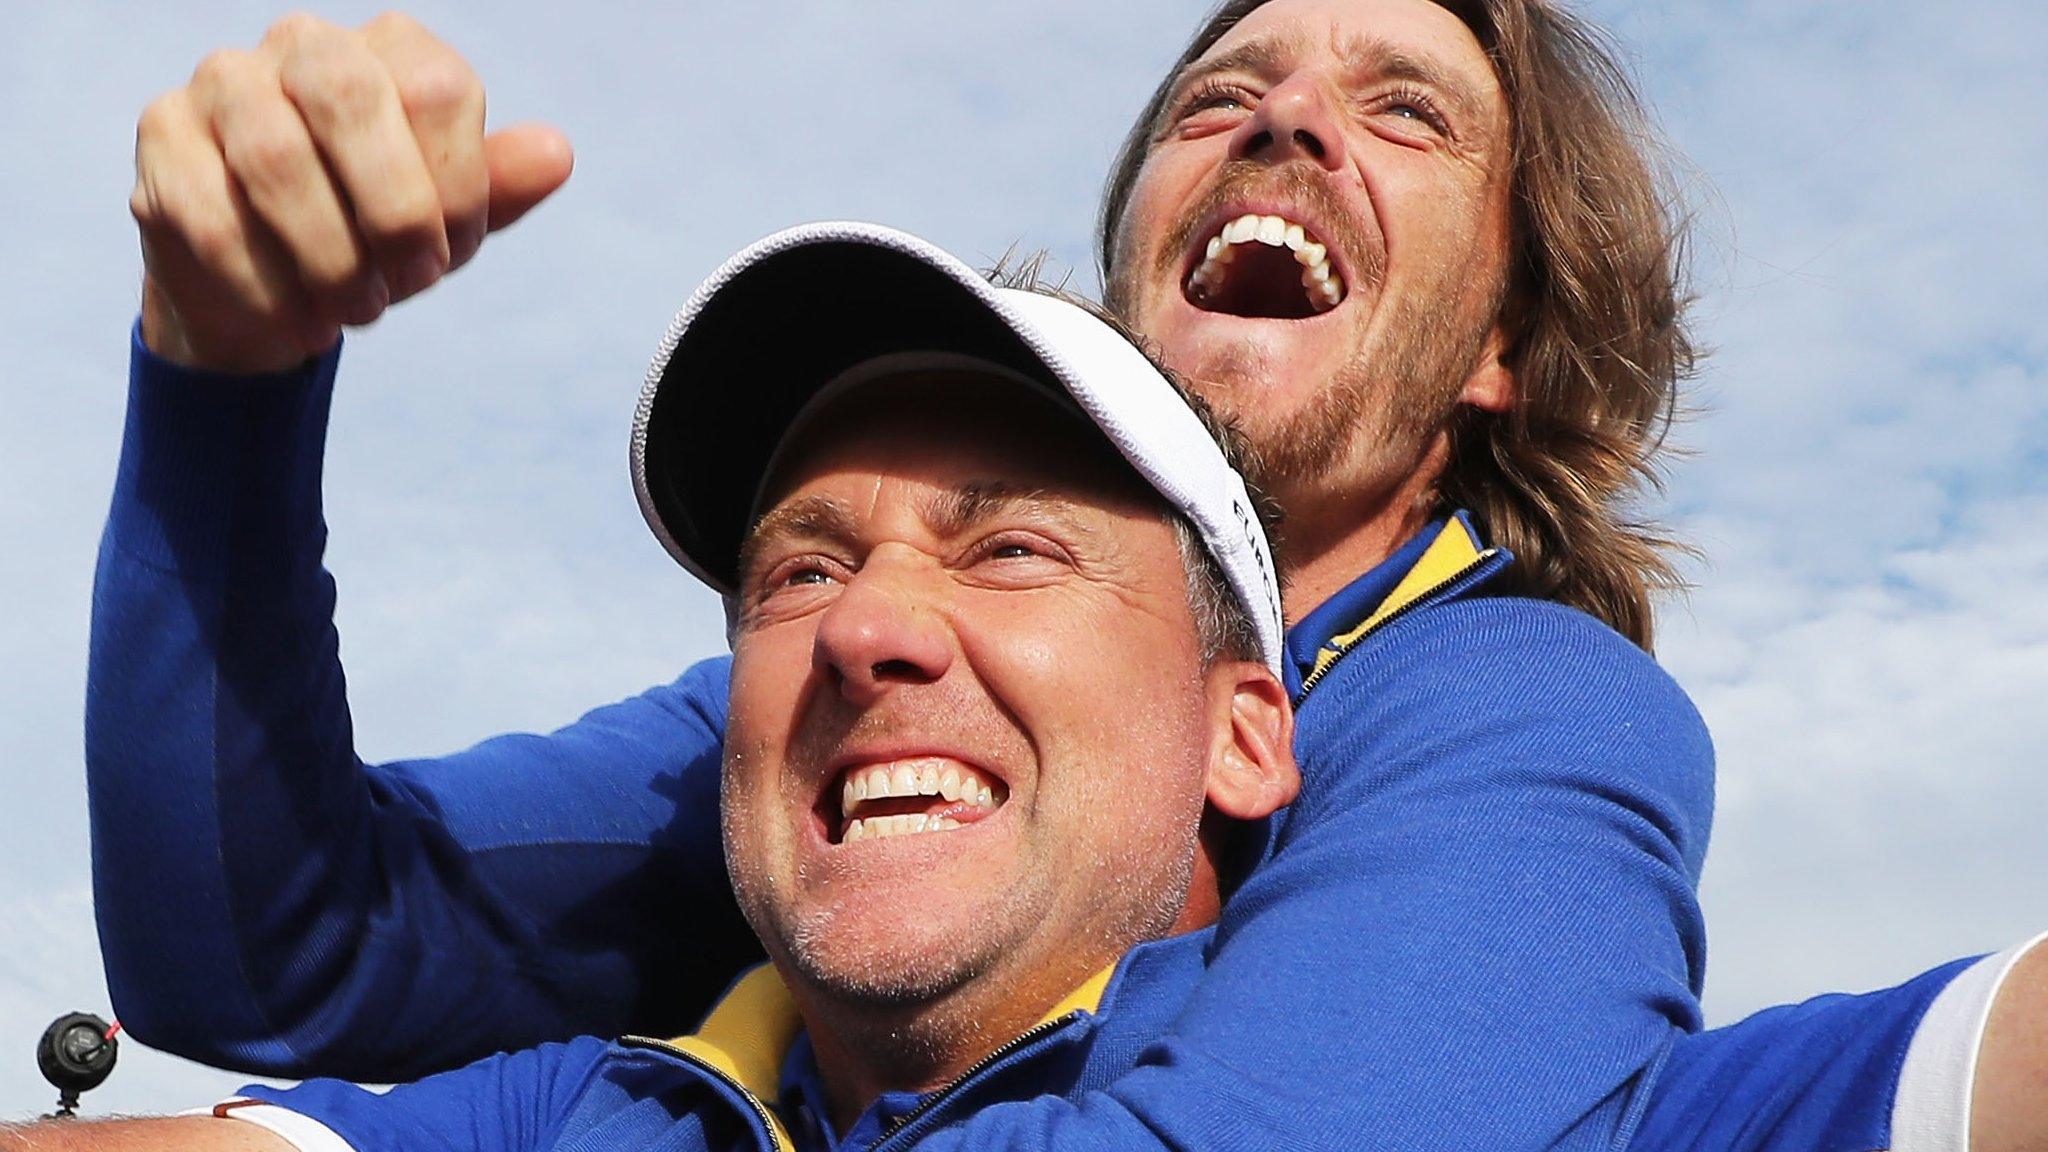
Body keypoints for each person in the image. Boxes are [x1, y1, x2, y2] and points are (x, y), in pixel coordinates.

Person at [85, 4, 2047, 1151]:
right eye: (1219, 97)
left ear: (1501, 348)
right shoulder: (835, 688)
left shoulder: (1513, 698)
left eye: (1401, 107)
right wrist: (226, 383)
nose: (1280, 116)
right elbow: (283, 950)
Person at [9, 223, 1309, 1152]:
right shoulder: (595, 1105)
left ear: (1243, 737)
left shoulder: (1374, 1055)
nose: (865, 624)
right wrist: (217, 370)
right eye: (801, 573)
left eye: (1012, 550)